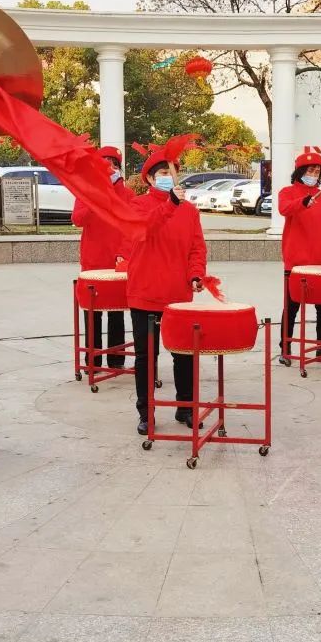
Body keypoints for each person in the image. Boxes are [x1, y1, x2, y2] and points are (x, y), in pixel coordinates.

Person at [127, 146, 208, 436]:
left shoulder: (190, 211)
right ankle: (146, 412)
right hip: (145, 292)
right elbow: (145, 229)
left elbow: (196, 247)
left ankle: (185, 407)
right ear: (150, 179)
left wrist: (196, 274)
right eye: (162, 173)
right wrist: (170, 204)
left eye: (171, 172)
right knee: (146, 357)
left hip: (178, 294)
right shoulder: (137, 205)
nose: (168, 177)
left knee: (184, 355)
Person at [72, 145, 130, 372]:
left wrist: (124, 254)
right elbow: (77, 219)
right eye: (104, 164)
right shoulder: (86, 191)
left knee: (117, 313)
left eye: (114, 165)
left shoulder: (127, 194)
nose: (110, 169)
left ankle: (116, 359)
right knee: (92, 314)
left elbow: (131, 228)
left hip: (118, 264)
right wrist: (96, 199)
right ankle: (93, 361)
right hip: (92, 263)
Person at [278, 152, 321, 362]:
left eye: (317, 171)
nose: (313, 174)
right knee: (291, 307)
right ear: (300, 171)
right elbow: (284, 209)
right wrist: (303, 202)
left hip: (319, 261)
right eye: (310, 170)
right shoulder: (287, 192)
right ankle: (285, 348)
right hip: (295, 261)